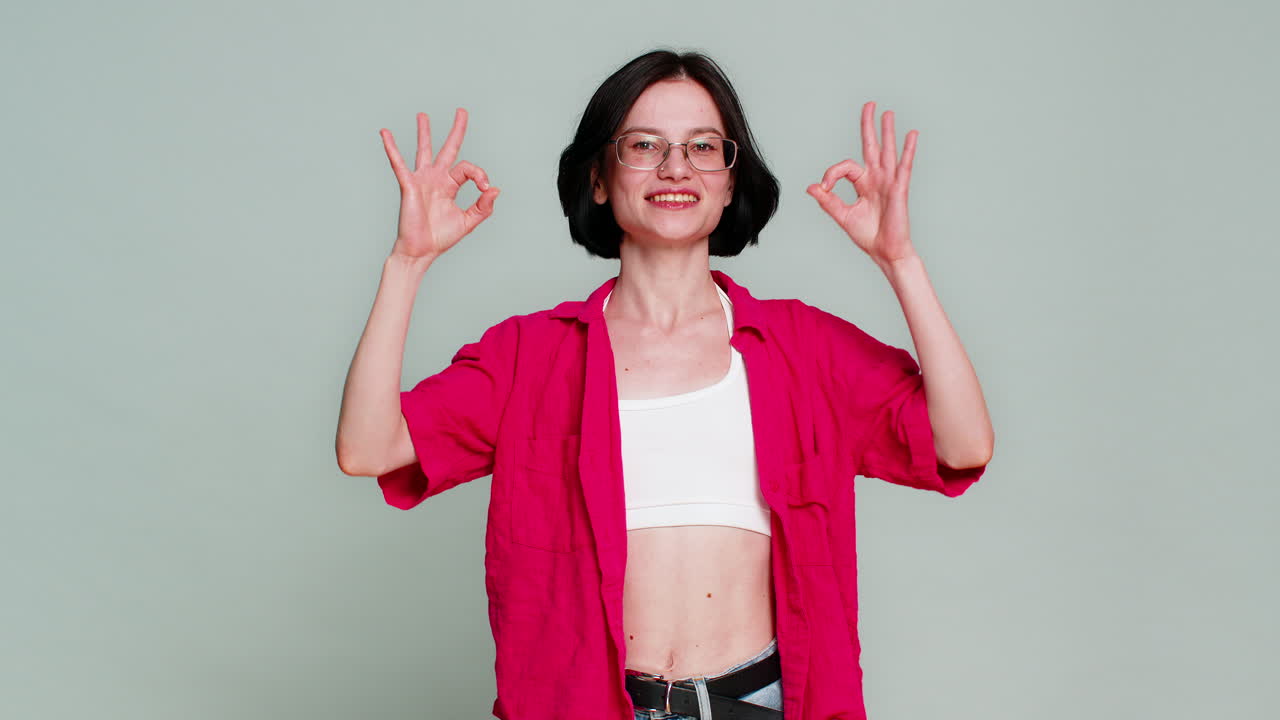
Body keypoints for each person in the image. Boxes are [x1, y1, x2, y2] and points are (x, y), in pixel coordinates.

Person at [336, 49, 993, 720]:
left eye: (703, 147)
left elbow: (963, 443)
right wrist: (407, 262)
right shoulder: (528, 357)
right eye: (644, 145)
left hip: (763, 703)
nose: (676, 167)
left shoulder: (806, 349)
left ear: (732, 182)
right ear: (598, 177)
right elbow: (368, 449)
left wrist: (901, 261)